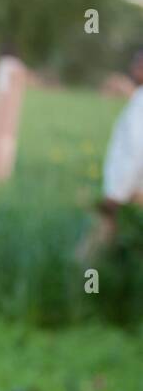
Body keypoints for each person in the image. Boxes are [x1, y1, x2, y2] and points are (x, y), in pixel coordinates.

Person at [78, 48, 143, 262]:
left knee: (92, 251)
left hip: (128, 191)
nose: (134, 68)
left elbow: (135, 151)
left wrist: (116, 195)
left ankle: (81, 288)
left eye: (139, 64)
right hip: (131, 191)